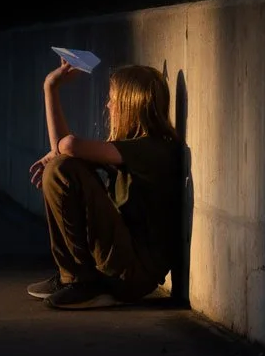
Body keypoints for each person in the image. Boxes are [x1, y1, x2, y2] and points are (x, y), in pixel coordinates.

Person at [26, 59, 183, 310]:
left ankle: (81, 281)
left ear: (130, 105)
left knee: (61, 169)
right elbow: (65, 150)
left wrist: (57, 151)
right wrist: (51, 89)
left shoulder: (154, 149)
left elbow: (67, 147)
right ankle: (74, 276)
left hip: (134, 275)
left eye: (112, 99)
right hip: (125, 264)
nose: (108, 105)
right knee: (64, 167)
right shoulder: (137, 148)